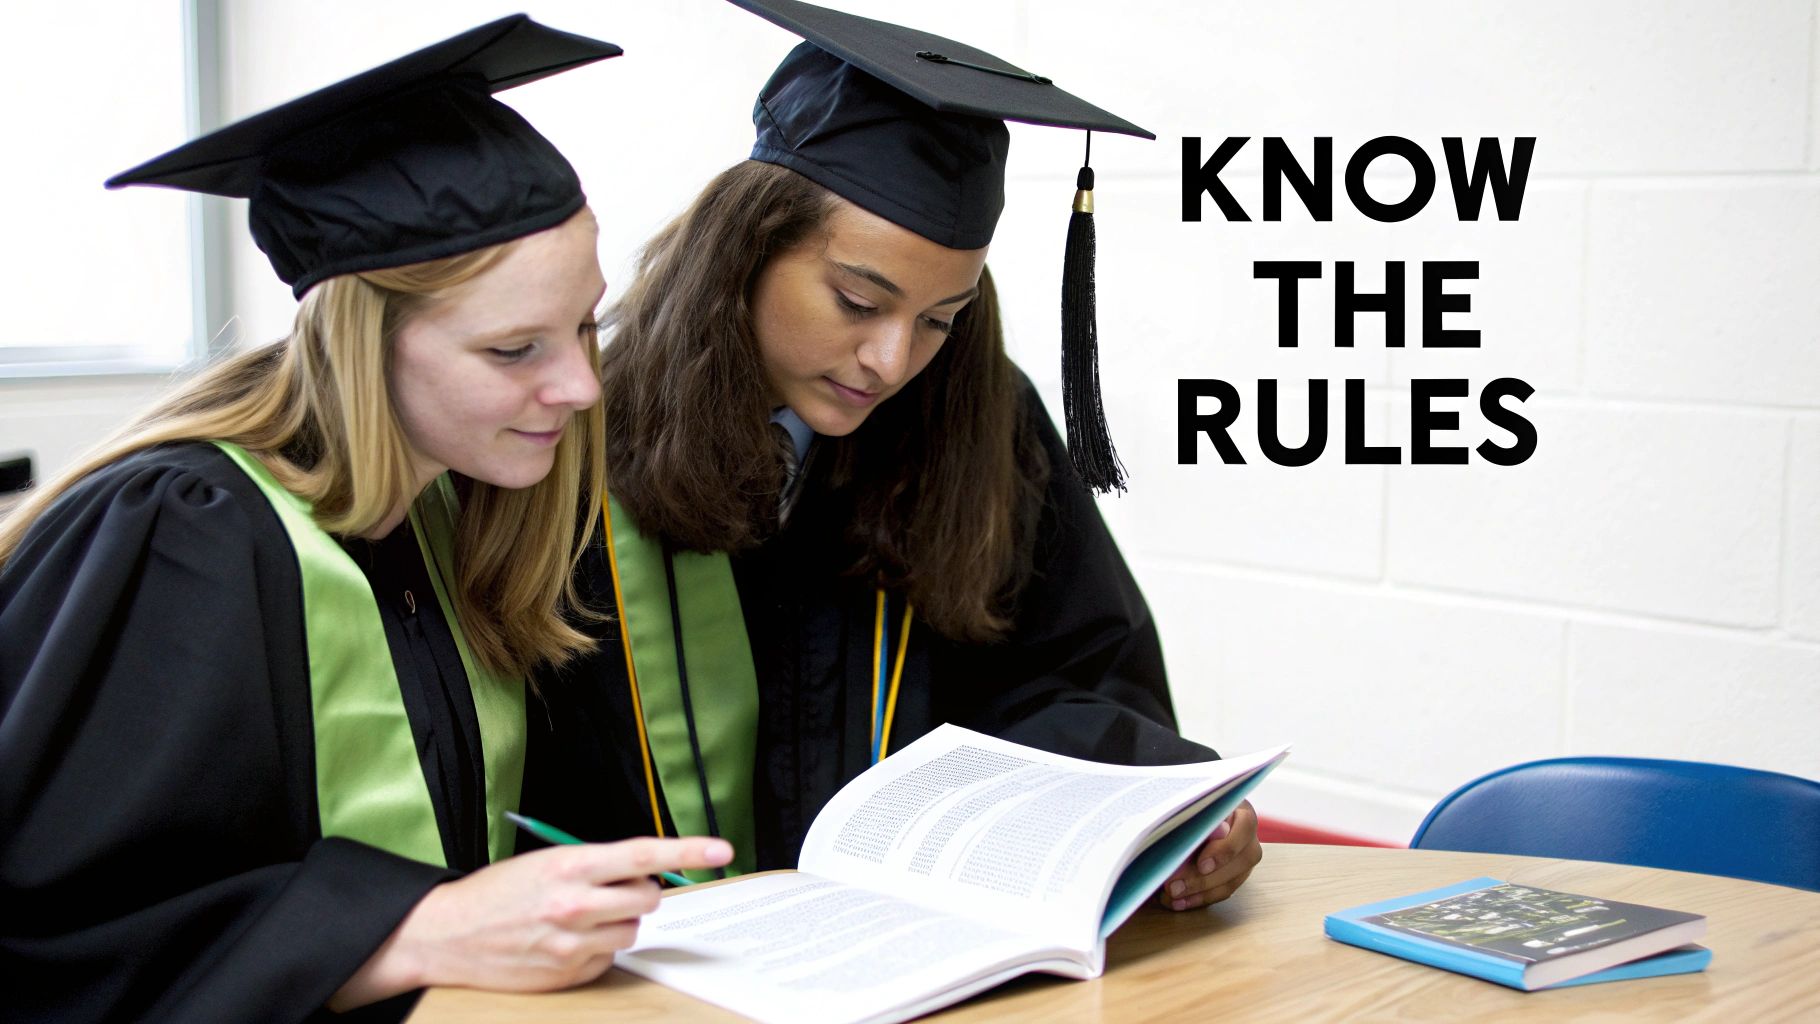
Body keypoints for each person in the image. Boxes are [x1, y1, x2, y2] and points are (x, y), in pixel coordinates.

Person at [0, 18, 728, 1024]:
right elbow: (56, 935)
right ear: (361, 342)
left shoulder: (444, 510)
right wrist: (410, 927)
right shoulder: (183, 534)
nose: (578, 385)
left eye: (584, 325)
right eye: (514, 349)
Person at [531, 0, 1259, 912]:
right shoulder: (567, 438)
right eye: (855, 300)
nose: (892, 361)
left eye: (939, 321)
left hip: (912, 949)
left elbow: (1061, 677)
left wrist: (1164, 798)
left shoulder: (982, 422)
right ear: (746, 251)